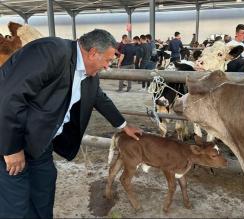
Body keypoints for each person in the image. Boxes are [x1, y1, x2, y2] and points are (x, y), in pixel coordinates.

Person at [0, 29, 142, 218]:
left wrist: (123, 125)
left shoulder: (89, 72)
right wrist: (11, 148)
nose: (108, 66)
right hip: (12, 142)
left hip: (41, 144)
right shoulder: (49, 52)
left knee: (43, 194)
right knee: (15, 204)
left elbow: (98, 97)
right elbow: (9, 97)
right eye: (107, 60)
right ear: (92, 53)